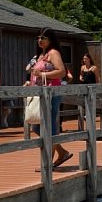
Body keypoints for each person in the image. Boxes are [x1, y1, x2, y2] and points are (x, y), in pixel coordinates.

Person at [30, 28, 73, 169]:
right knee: (37, 126)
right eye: (39, 38)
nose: (40, 40)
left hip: (52, 93)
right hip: (41, 93)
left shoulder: (53, 53)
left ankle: (47, 163)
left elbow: (61, 72)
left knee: (49, 126)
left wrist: (42, 74)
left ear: (50, 39)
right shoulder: (42, 55)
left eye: (43, 38)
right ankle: (61, 152)